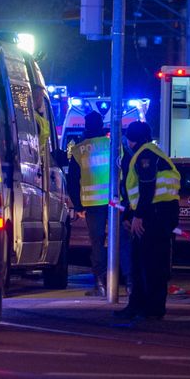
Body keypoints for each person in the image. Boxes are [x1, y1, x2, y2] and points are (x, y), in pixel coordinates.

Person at [115, 121, 181, 321]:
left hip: (153, 215)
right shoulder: (153, 152)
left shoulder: (145, 155)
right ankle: (142, 306)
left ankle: (149, 308)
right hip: (158, 214)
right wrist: (129, 214)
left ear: (131, 138)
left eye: (128, 137)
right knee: (145, 263)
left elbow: (147, 188)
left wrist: (138, 216)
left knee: (149, 264)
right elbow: (136, 193)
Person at [67, 111, 111, 296]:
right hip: (115, 202)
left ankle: (100, 284)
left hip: (92, 204)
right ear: (102, 125)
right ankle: (129, 281)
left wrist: (78, 206)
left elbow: (72, 181)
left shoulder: (79, 150)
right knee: (121, 242)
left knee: (98, 243)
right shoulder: (112, 145)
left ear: (86, 126)